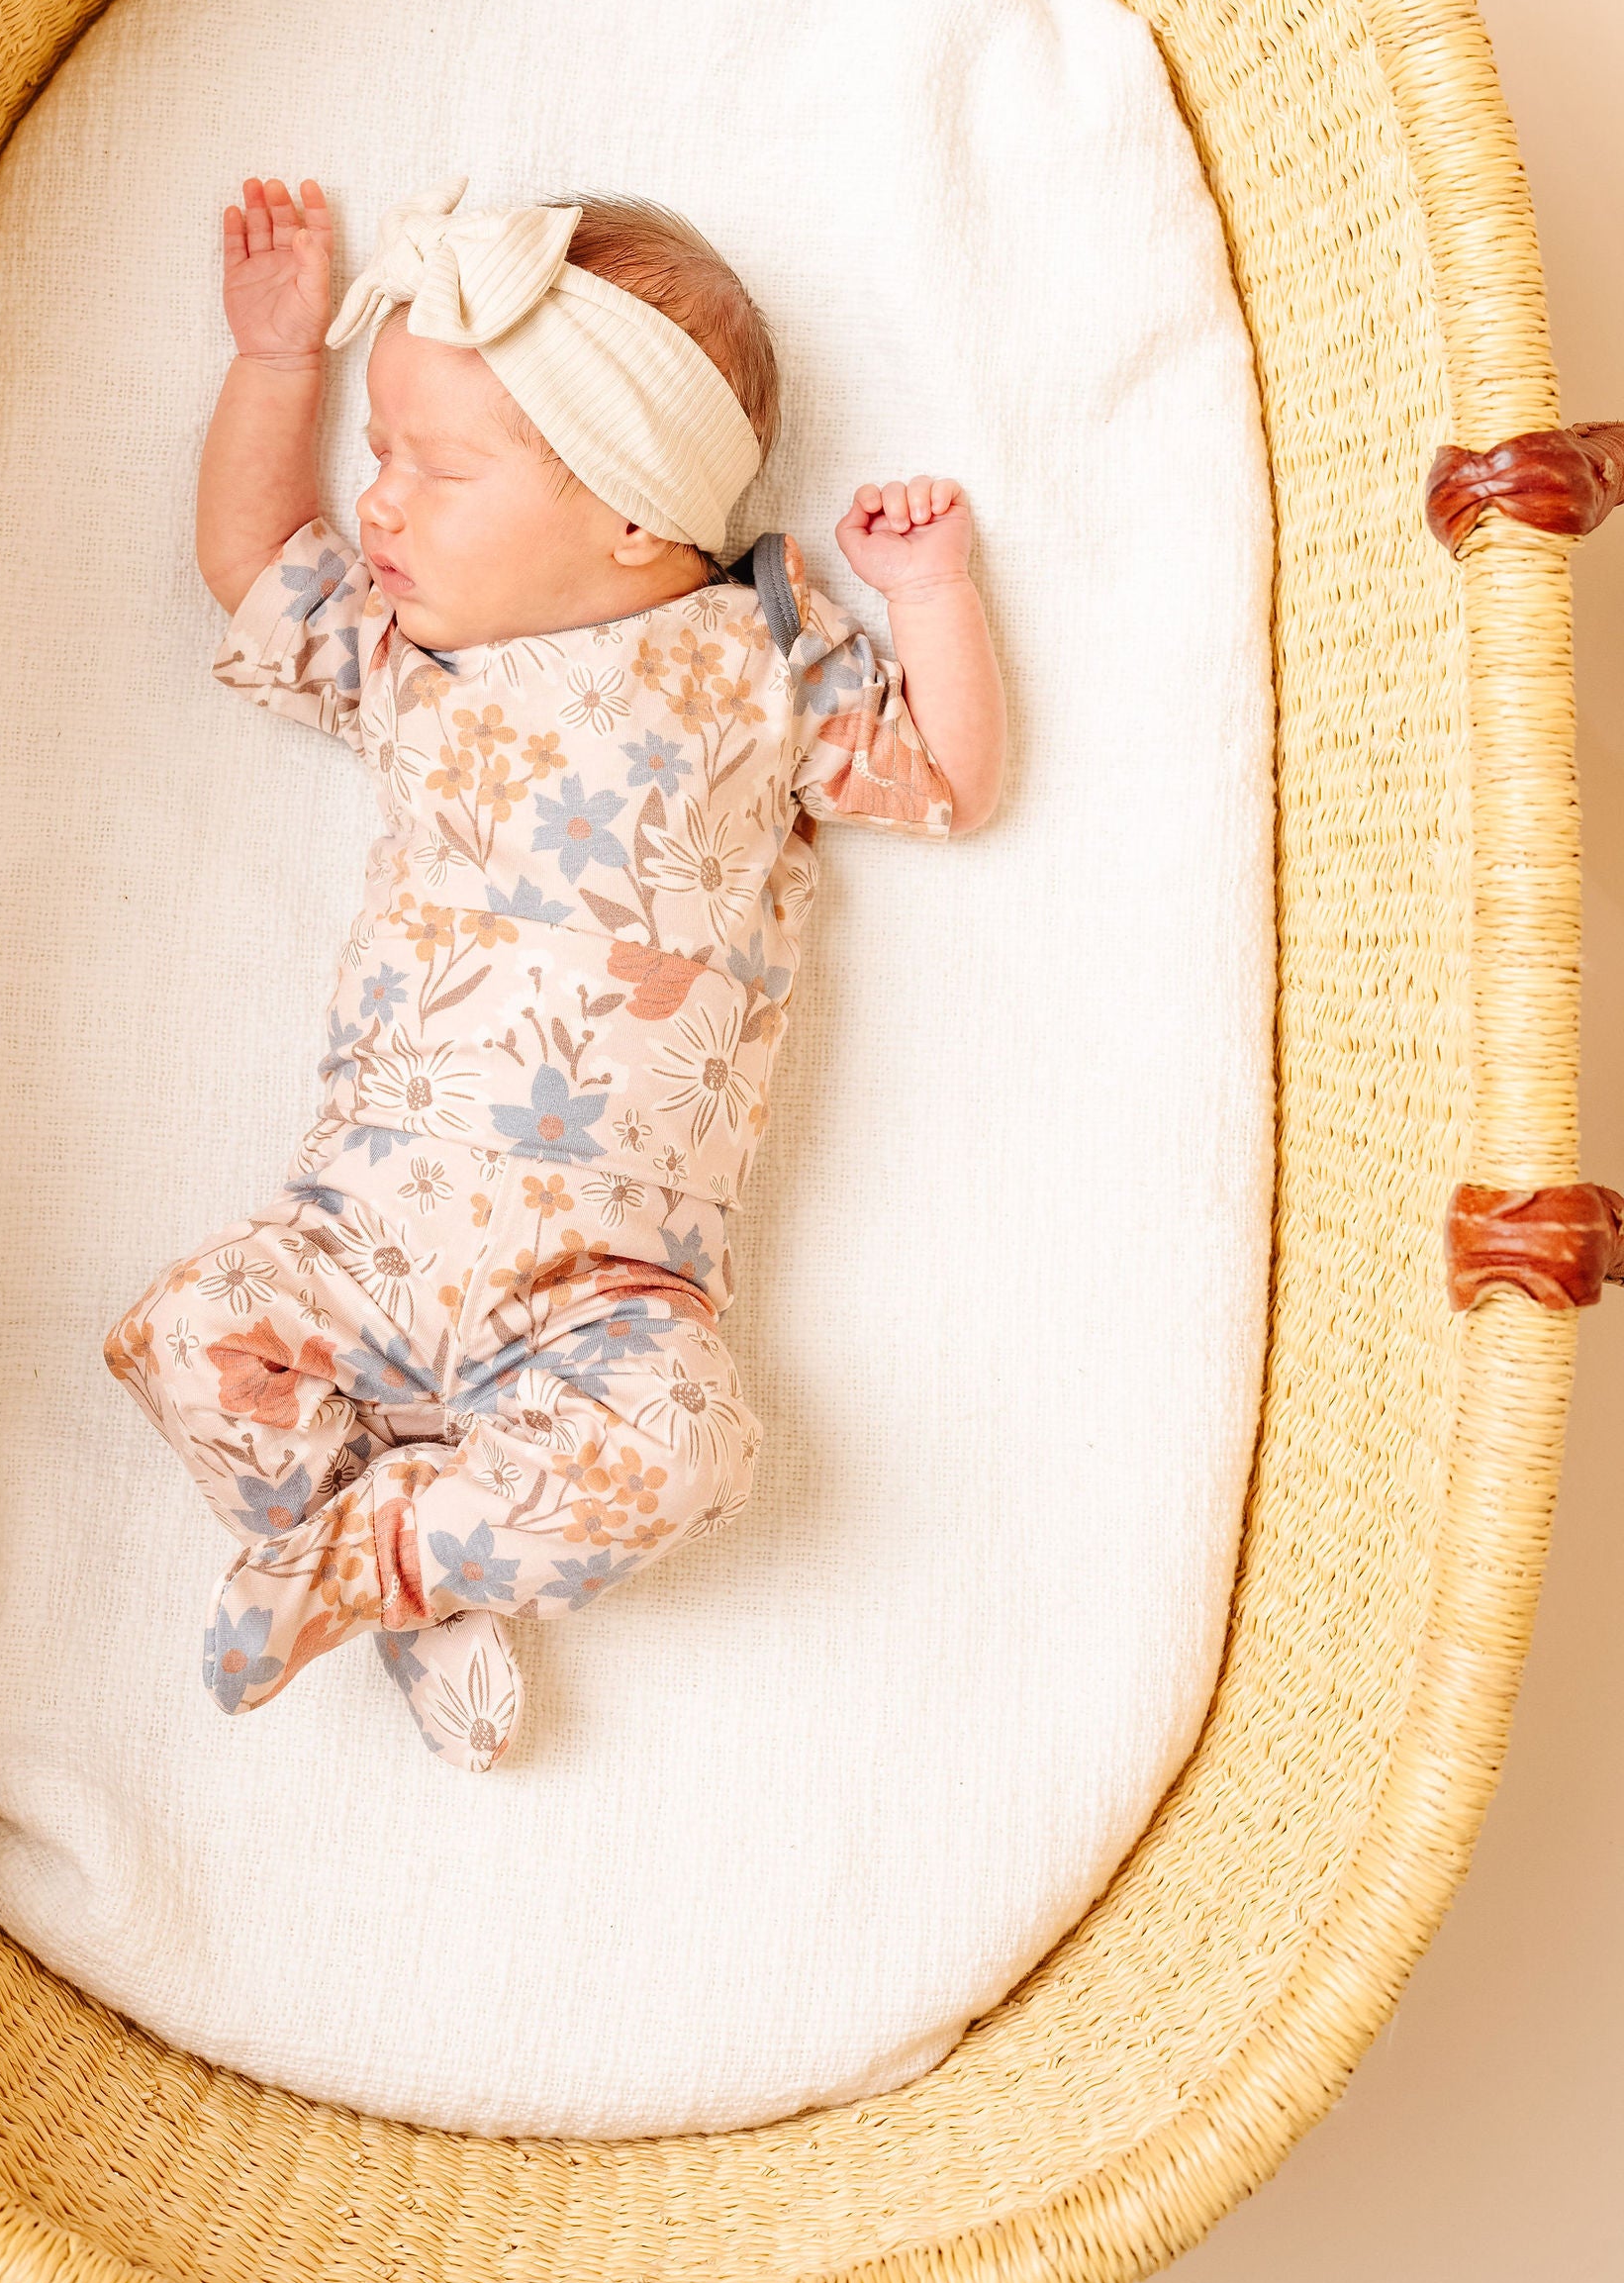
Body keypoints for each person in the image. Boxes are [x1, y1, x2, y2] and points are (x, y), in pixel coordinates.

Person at [105, 173, 1006, 1770]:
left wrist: (929, 594)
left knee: (687, 1449)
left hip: (604, 1290)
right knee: (186, 1333)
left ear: (634, 512)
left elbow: (949, 772)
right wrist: (277, 363)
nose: (379, 505)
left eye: (436, 468)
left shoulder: (763, 656)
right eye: (380, 454)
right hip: (359, 1240)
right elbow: (252, 560)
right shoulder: (407, 653)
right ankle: (411, 1572)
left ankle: (380, 1553)